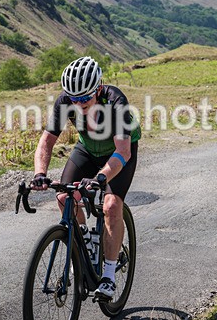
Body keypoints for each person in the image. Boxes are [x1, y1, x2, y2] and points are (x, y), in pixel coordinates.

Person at [31, 56, 141, 300]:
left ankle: (109, 276)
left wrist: (101, 178)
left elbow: (123, 151)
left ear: (98, 88)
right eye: (74, 98)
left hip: (119, 152)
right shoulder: (65, 101)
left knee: (111, 205)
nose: (79, 103)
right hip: (88, 149)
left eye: (85, 98)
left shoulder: (115, 100)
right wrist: (40, 173)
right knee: (63, 196)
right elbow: (46, 142)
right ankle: (85, 241)